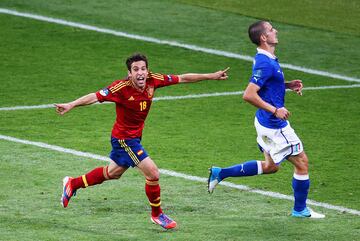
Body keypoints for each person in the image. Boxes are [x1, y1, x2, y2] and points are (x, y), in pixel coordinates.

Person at [56, 53, 229, 229]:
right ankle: (157, 215)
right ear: (129, 73)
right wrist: (71, 104)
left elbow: (183, 78)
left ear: (148, 71)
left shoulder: (153, 80)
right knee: (153, 173)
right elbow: (94, 96)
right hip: (124, 140)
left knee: (113, 173)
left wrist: (212, 76)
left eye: (143, 69)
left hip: (134, 137)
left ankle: (73, 183)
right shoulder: (120, 88)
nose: (140, 73)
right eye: (136, 69)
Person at [207, 21, 325, 219]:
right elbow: (249, 94)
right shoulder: (264, 62)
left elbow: (266, 85)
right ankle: (300, 210)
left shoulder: (267, 58)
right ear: (263, 37)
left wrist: (286, 85)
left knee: (271, 166)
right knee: (302, 163)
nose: (275, 31)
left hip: (263, 122)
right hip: (274, 125)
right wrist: (275, 110)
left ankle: (221, 173)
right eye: (271, 30)